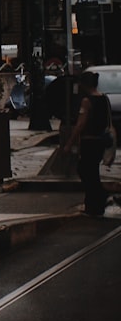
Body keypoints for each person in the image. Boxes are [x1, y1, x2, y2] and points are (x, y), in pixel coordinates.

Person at [63, 70, 112, 217]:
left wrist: (69, 143)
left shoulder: (86, 101)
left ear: (84, 84)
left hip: (89, 141)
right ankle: (94, 204)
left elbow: (80, 124)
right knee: (92, 171)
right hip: (100, 140)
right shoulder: (104, 98)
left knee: (85, 171)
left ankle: (98, 197)